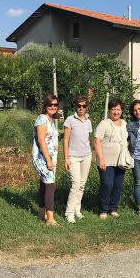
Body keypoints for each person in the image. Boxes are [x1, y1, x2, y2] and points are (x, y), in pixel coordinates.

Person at [94, 98, 128, 219]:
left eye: (118, 109)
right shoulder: (104, 124)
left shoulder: (124, 124)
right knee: (107, 184)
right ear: (109, 111)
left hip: (120, 160)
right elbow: (97, 141)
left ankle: (113, 208)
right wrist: (101, 159)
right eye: (113, 109)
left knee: (117, 185)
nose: (116, 112)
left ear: (121, 111)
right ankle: (103, 210)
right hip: (106, 161)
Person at [63, 95, 93, 223]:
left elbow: (87, 139)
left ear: (87, 108)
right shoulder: (70, 120)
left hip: (86, 155)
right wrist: (65, 158)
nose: (81, 108)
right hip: (73, 157)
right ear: (76, 107)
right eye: (79, 106)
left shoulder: (88, 121)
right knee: (75, 184)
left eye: (84, 106)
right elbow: (65, 140)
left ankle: (77, 210)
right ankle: (68, 212)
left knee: (82, 184)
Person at [32, 93, 60, 227]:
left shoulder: (50, 120)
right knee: (50, 186)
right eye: (50, 104)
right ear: (45, 106)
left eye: (55, 105)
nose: (53, 107)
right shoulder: (42, 119)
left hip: (50, 158)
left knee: (44, 185)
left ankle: (41, 212)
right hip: (42, 158)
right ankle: (50, 219)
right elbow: (41, 140)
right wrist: (48, 160)